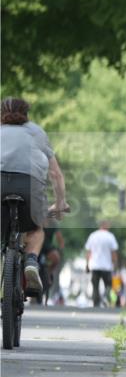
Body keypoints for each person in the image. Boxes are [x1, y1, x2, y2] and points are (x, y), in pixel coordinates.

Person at [0, 97, 68, 292]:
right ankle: (31, 261)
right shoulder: (37, 132)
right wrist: (60, 203)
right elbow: (55, 174)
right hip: (30, 186)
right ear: (26, 114)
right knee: (36, 230)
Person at [85, 221, 119, 308]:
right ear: (106, 226)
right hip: (106, 267)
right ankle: (107, 301)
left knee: (95, 287)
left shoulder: (93, 236)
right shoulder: (110, 236)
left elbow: (89, 252)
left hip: (95, 266)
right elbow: (114, 253)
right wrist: (115, 265)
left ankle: (96, 304)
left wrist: (87, 264)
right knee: (108, 286)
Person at [41, 224, 65, 303]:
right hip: (36, 245)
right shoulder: (37, 218)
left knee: (56, 259)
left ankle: (48, 273)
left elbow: (60, 240)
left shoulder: (53, 223)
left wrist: (60, 250)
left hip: (47, 248)